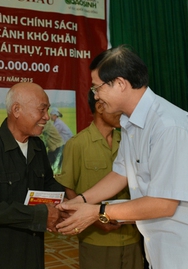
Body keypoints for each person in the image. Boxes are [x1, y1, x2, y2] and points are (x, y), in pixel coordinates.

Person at [55, 45, 188, 269]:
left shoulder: (169, 126)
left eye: (96, 88)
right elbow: (121, 174)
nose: (96, 95)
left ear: (120, 84)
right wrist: (79, 202)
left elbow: (163, 203)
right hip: (162, 247)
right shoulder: (131, 123)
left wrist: (98, 213)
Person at [0, 82, 65, 269]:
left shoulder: (37, 146)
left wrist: (68, 204)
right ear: (16, 110)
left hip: (32, 250)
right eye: (42, 109)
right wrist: (38, 215)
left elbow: (48, 184)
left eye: (47, 110)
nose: (46, 117)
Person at [55, 90, 143, 269]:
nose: (124, 113)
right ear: (100, 107)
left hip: (132, 236)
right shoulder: (77, 144)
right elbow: (69, 190)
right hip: (96, 239)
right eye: (118, 107)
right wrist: (94, 219)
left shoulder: (129, 142)